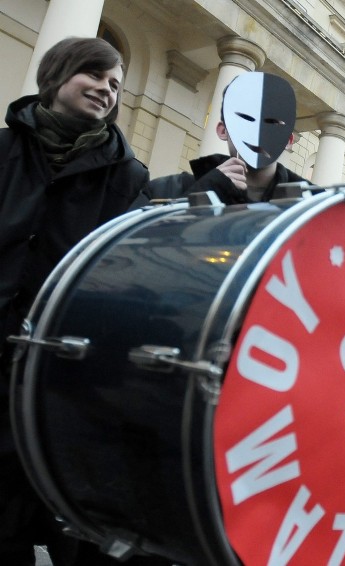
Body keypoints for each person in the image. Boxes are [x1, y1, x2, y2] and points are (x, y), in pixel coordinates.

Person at [0, 37, 149, 565]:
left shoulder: (129, 178)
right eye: (97, 76)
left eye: (116, 86)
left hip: (60, 370)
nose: (107, 91)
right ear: (59, 73)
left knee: (51, 517)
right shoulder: (4, 150)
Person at [143, 72, 309, 205]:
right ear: (223, 130)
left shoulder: (311, 208)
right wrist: (201, 193)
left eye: (271, 122)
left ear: (288, 140)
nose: (258, 132)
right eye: (247, 118)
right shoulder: (166, 190)